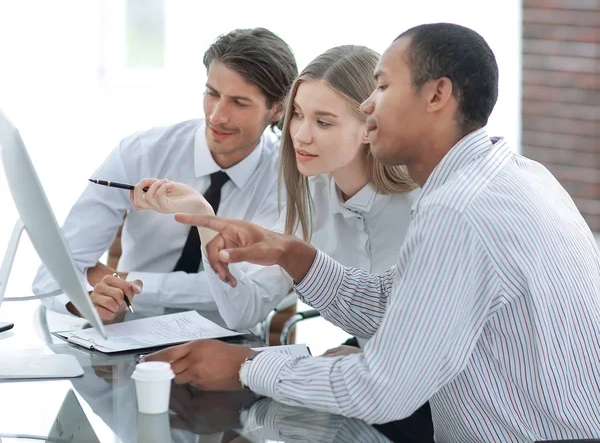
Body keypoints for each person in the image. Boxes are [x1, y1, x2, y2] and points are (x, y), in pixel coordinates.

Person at [144, 23, 600, 441]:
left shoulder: (456, 210)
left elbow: (381, 391)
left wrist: (248, 366)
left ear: (437, 95)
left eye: (381, 86)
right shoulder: (514, 175)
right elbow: (400, 305)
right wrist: (294, 255)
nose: (367, 104)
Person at [131, 45, 416, 339]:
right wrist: (204, 219)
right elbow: (243, 311)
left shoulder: (424, 202)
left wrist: (354, 353)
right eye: (297, 114)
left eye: (323, 122)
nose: (301, 135)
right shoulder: (305, 197)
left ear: (370, 126)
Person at [32, 27, 298, 325]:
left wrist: (131, 282)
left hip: (225, 342)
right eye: (212, 94)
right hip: (124, 330)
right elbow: (52, 273)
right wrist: (83, 302)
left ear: (277, 109)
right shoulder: (141, 152)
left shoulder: (289, 184)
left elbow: (251, 296)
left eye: (239, 102)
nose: (217, 116)